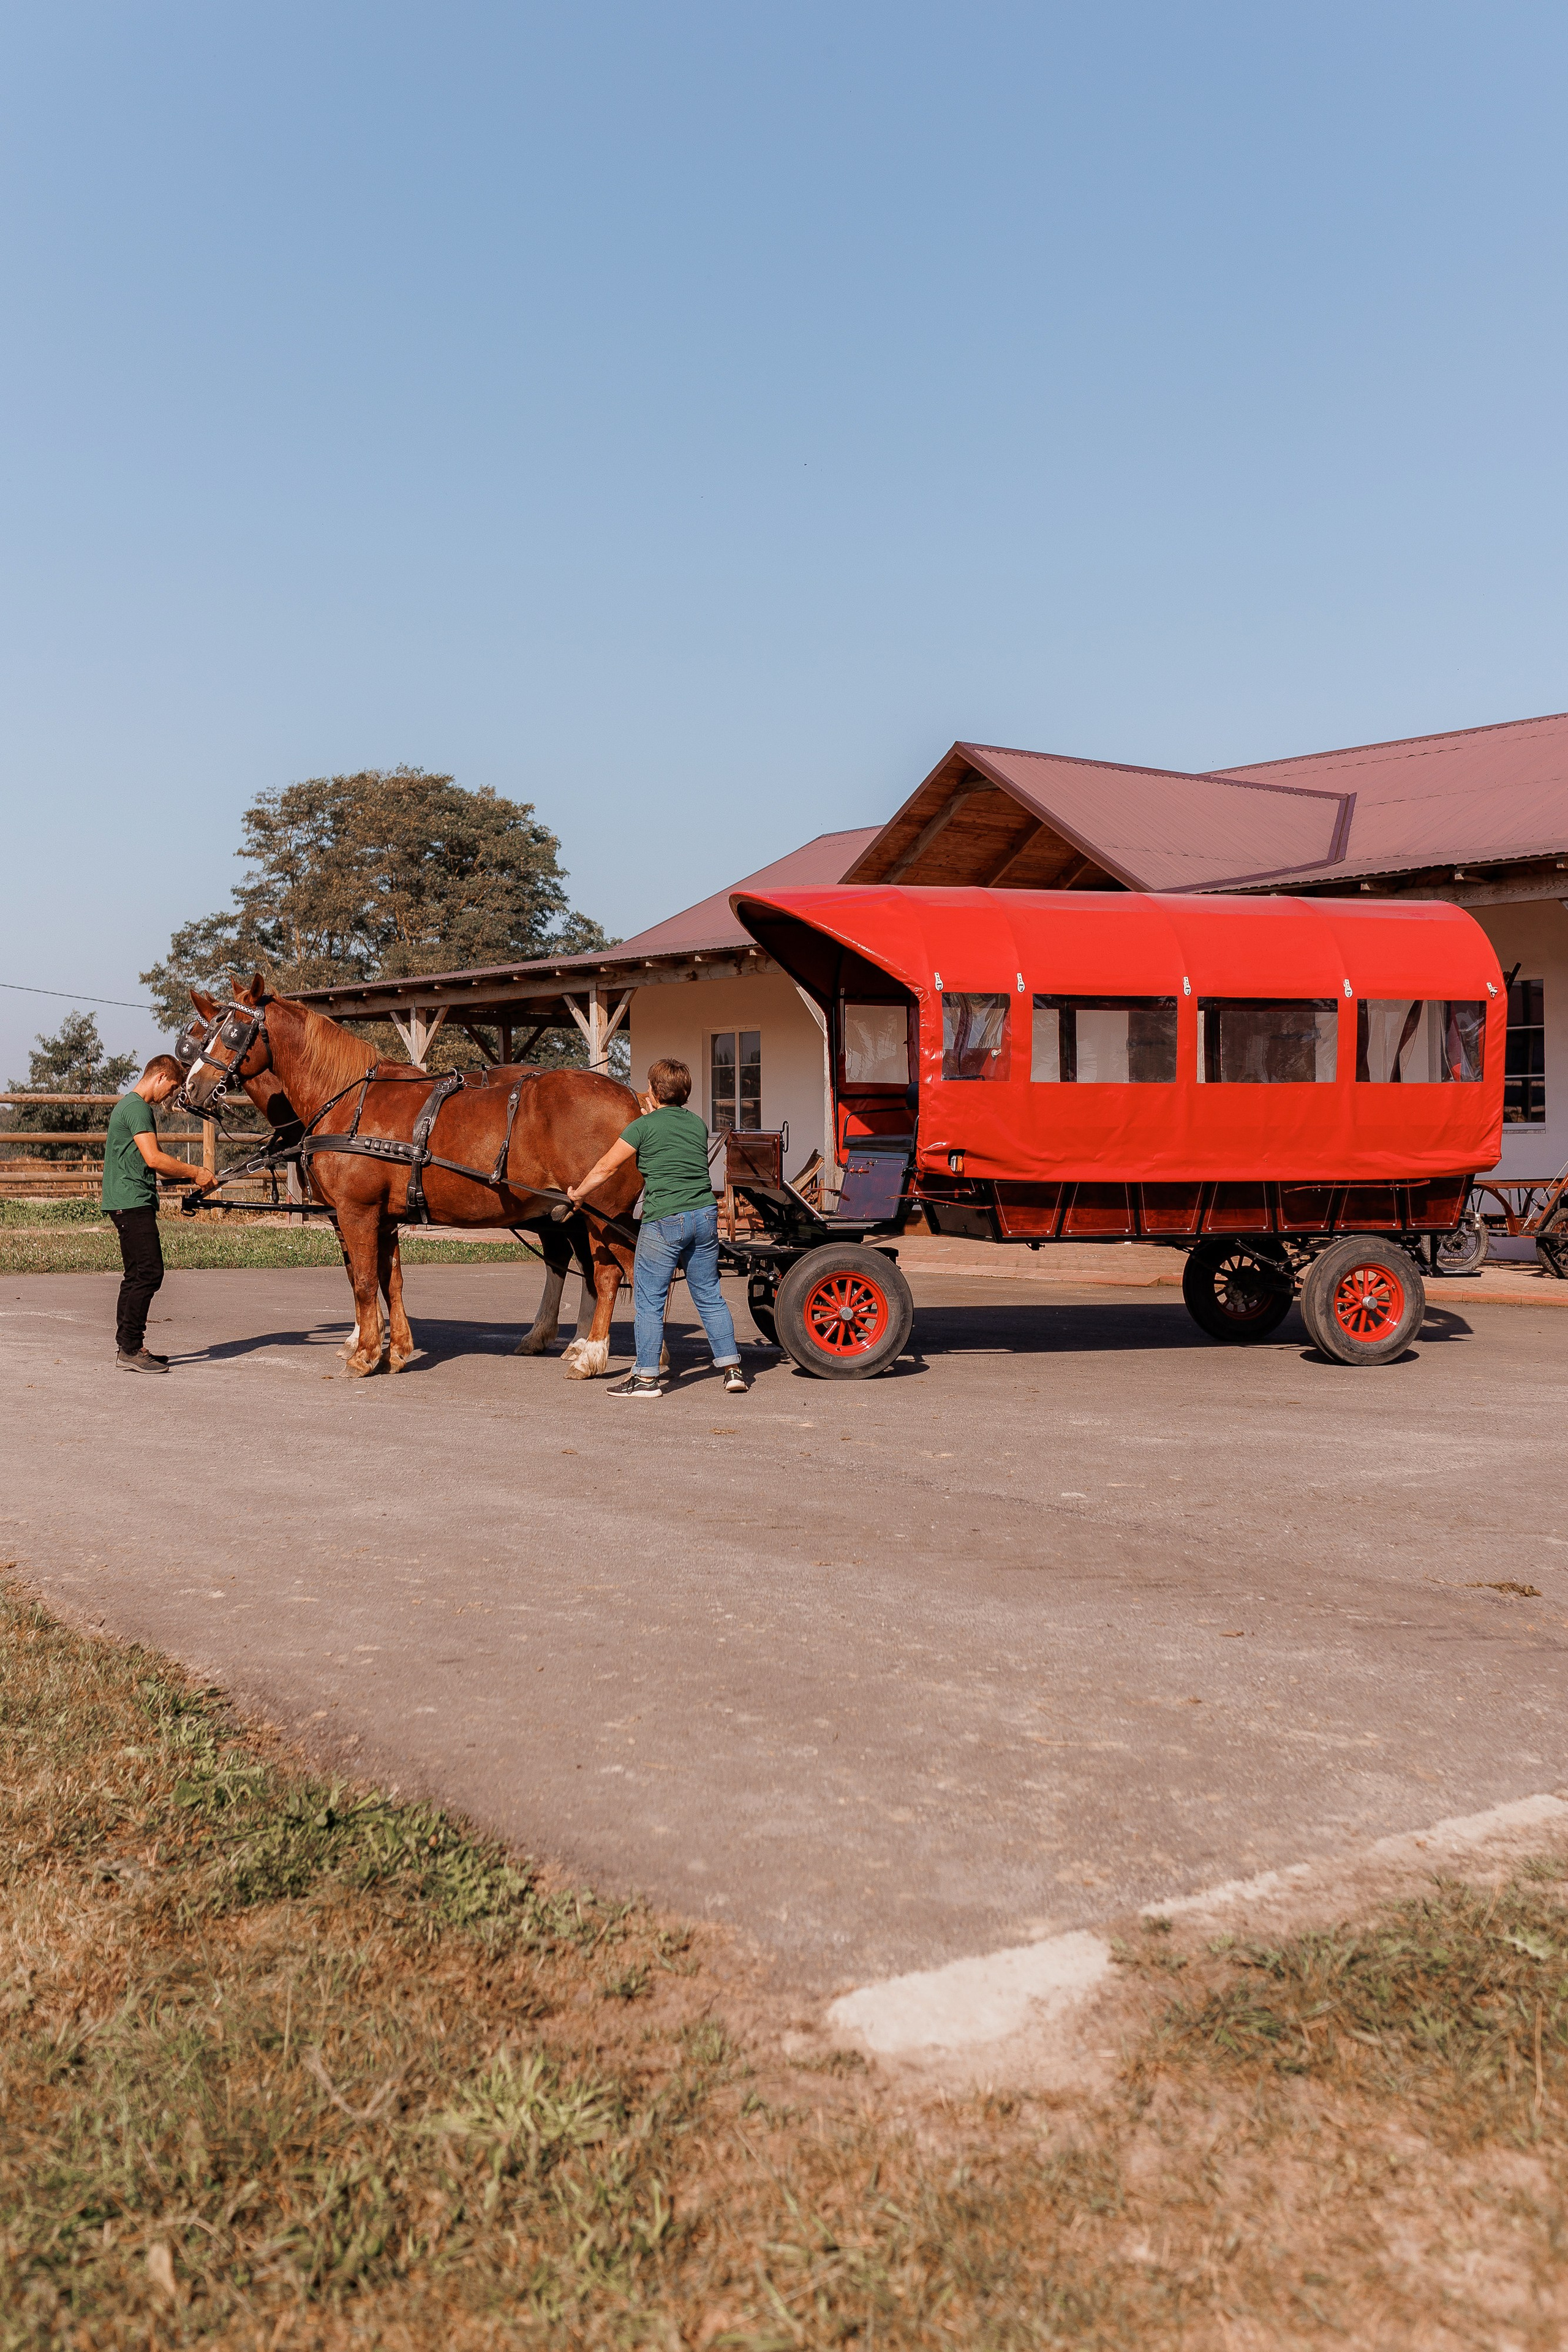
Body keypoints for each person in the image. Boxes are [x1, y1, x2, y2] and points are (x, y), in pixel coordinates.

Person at [567, 1056, 747, 1401]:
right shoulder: (697, 1124)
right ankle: (732, 1368)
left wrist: (579, 1193)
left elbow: (606, 1166)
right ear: (687, 1095)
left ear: (650, 1092)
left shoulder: (641, 1127)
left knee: (649, 1300)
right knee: (709, 1296)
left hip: (665, 1220)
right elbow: (671, 1134)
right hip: (705, 1216)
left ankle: (646, 1378)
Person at [101, 1054, 218, 1373]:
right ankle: (131, 1348)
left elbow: (148, 1163)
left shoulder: (128, 1105)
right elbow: (154, 1159)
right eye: (174, 1086)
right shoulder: (138, 1108)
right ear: (162, 1075)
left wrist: (191, 1178)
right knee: (150, 1273)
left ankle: (128, 1346)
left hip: (125, 1200)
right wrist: (196, 1171)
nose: (171, 1094)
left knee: (136, 1274)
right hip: (132, 1201)